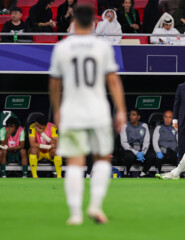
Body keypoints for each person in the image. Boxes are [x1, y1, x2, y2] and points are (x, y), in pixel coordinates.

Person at [49, 5, 127, 225]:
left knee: (75, 162)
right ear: (94, 23)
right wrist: (121, 110)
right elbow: (113, 80)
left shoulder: (62, 47)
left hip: (72, 111)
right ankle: (95, 206)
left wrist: (56, 109)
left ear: (73, 22)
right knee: (101, 158)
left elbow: (54, 83)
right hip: (98, 111)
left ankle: (75, 214)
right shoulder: (101, 46)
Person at [120, 109, 155, 177]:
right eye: (130, 115)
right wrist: (136, 153)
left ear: (138, 117)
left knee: (152, 156)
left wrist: (143, 153)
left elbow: (146, 141)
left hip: (141, 148)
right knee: (129, 156)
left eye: (134, 115)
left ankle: (144, 173)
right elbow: (123, 142)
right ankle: (127, 172)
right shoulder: (124, 125)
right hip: (129, 148)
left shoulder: (144, 126)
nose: (131, 116)